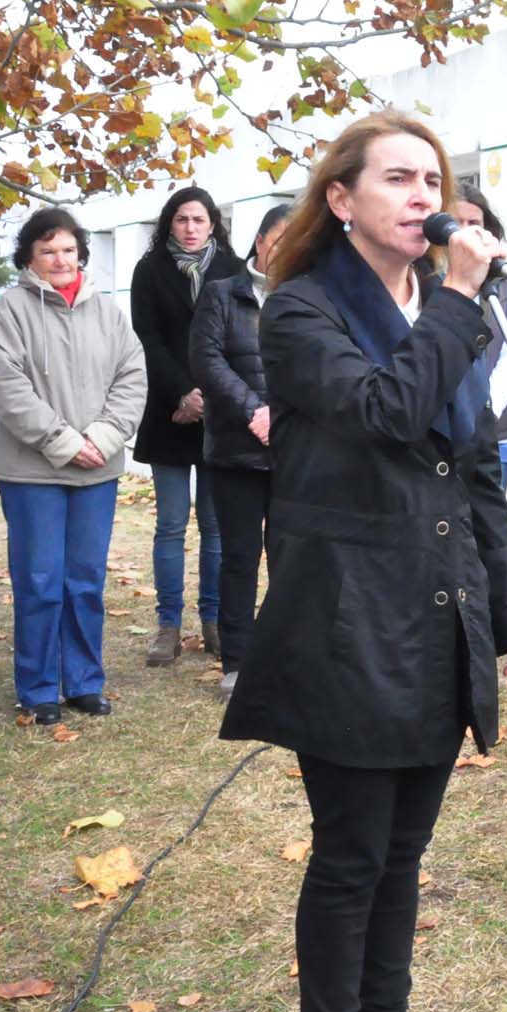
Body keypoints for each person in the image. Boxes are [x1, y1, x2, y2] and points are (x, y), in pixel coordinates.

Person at [219, 110, 507, 1012]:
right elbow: (386, 412)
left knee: (403, 857)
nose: (424, 198)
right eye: (399, 179)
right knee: (353, 856)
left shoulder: (451, 311)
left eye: (432, 181)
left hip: (436, 614)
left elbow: (474, 474)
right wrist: (458, 302)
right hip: (349, 621)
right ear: (341, 199)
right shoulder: (300, 311)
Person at [0, 209, 148, 725]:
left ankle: (84, 681)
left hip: (96, 468)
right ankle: (38, 687)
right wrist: (60, 441)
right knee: (39, 580)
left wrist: (100, 438)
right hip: (33, 471)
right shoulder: (9, 311)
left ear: (81, 254)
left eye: (68, 249)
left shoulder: (108, 312)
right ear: (29, 256)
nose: (60, 259)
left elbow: (132, 376)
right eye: (48, 250)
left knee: (85, 580)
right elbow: (5, 386)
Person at [131, 187, 241, 666]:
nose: (190, 228)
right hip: (168, 412)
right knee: (171, 525)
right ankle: (168, 624)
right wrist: (182, 393)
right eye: (181, 220)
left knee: (216, 527)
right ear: (169, 224)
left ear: (213, 223)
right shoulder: (149, 271)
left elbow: (240, 341)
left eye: (199, 219)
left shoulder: (233, 270)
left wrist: (210, 398)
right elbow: (147, 339)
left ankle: (214, 620)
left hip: (223, 416)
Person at [191, 204, 291, 700]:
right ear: (259, 240)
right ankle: (237, 661)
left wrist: (286, 416)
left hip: (295, 450)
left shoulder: (307, 297)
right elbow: (207, 360)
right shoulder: (222, 294)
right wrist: (254, 411)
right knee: (240, 557)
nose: (284, 249)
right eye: (278, 238)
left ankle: (286, 655)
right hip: (235, 450)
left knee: (291, 556)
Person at [453, 186, 507, 488]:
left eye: (473, 223)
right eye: (454, 222)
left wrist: (481, 418)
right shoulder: (420, 280)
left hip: (496, 434)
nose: (465, 232)